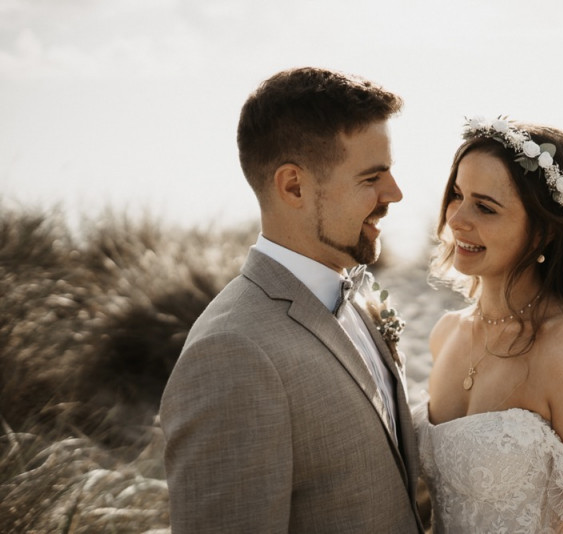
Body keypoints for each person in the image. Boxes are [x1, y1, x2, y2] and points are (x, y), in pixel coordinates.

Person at [160, 67, 423, 533]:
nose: (394, 194)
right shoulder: (231, 353)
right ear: (293, 186)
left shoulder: (360, 298)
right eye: (371, 177)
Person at [413, 116, 563, 533]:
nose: (457, 218)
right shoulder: (447, 334)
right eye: (456, 195)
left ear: (543, 232)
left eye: (485, 206)